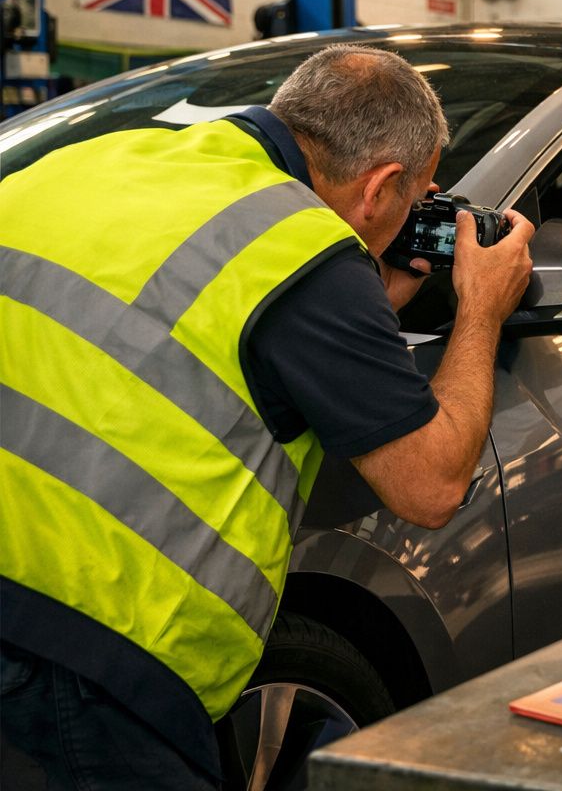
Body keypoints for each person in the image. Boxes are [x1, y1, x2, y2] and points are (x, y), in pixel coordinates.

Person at [0, 45, 534, 788]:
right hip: (88, 653)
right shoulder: (305, 251)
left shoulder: (100, 158)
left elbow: (159, 330)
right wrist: (483, 306)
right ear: (381, 187)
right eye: (414, 202)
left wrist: (364, 313)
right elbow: (431, 485)